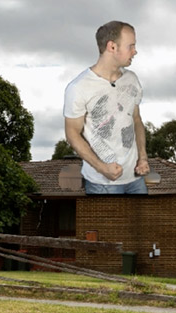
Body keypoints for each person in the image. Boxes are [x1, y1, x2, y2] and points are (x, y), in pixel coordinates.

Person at [63, 21, 149, 194]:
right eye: (130, 46)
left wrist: (143, 157)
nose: (135, 51)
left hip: (136, 181)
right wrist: (102, 168)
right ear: (112, 47)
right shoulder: (78, 87)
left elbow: (136, 120)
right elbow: (72, 134)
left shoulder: (132, 79)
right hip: (102, 185)